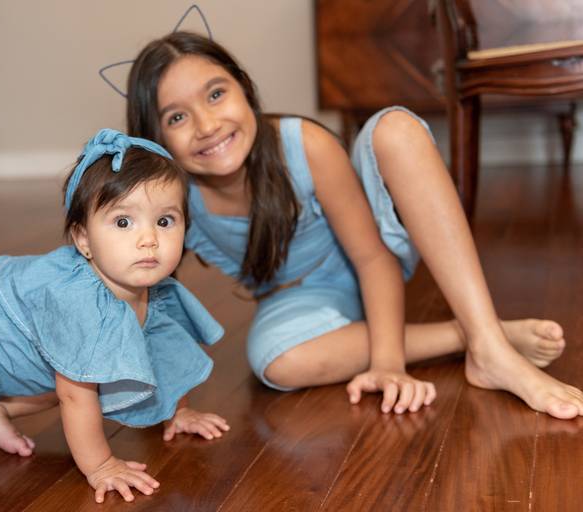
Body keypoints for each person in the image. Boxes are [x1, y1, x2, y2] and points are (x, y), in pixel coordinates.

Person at [125, 31, 583, 419]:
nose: (206, 124)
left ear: (244, 89)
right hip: (299, 299)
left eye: (216, 94)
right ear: (155, 138)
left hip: (371, 255)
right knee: (278, 364)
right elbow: (154, 302)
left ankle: (489, 343)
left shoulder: (304, 144)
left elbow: (372, 259)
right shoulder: (173, 200)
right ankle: (469, 335)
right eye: (177, 117)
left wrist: (388, 366)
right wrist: (177, 405)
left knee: (396, 129)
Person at [0, 129, 230, 504]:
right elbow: (75, 398)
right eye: (124, 222)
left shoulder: (156, 291)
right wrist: (101, 465)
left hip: (7, 352)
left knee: (81, 372)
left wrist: (178, 412)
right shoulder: (78, 302)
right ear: (83, 239)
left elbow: (167, 355)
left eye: (165, 221)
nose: (149, 239)